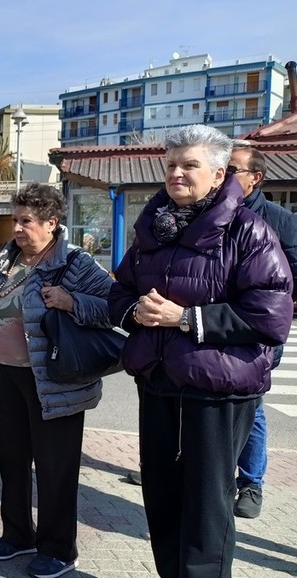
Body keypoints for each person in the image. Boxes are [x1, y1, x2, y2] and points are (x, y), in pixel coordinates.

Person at [108, 125, 292, 577]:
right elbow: (120, 291)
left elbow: (271, 317)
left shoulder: (249, 232)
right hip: (158, 381)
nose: (177, 173)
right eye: (171, 164)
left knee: (207, 507)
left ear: (218, 174)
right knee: (161, 497)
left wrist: (187, 317)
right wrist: (135, 311)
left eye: (190, 165)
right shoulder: (153, 228)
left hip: (217, 388)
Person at [0, 183, 113, 578]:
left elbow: (116, 306)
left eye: (26, 221)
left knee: (54, 468)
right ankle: (18, 535)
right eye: (15, 220)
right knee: (12, 460)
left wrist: (72, 301)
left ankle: (59, 550)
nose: (17, 228)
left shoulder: (74, 263)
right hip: (8, 376)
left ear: (51, 222)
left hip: (54, 382)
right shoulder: (9, 259)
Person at [229, 143, 297, 519]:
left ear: (255, 177)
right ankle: (187, 468)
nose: (224, 176)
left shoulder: (279, 221)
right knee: (196, 401)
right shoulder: (210, 213)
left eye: (232, 170)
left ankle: (251, 484)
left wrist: (273, 310)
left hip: (257, 332)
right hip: (212, 324)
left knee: (251, 406)